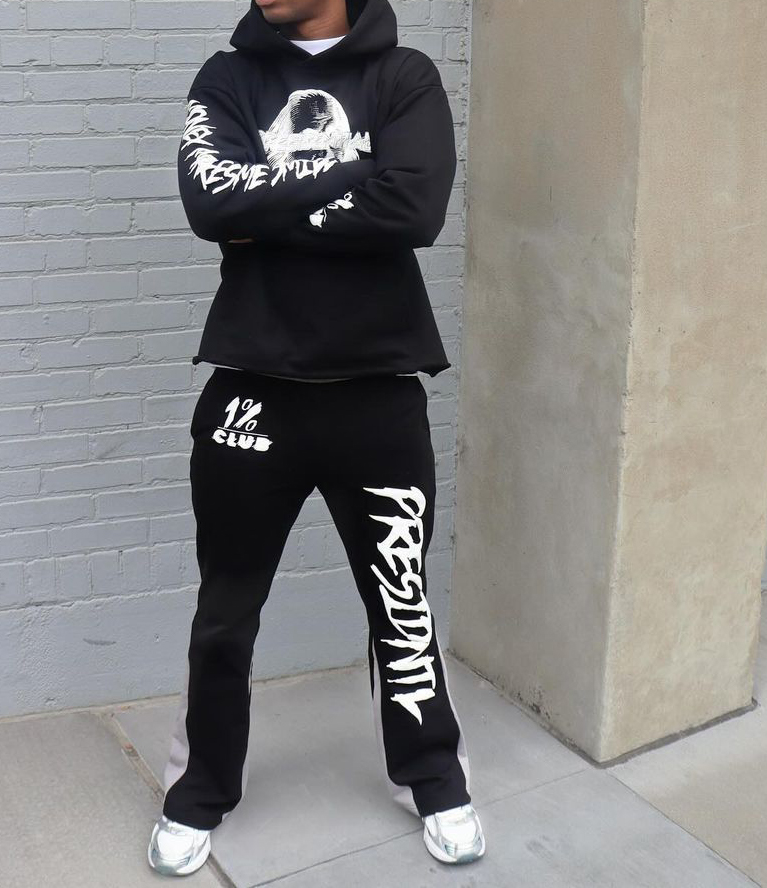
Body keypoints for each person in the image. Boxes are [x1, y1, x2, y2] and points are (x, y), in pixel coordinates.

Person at [147, 0, 486, 875]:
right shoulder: (229, 77)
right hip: (250, 398)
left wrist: (265, 205)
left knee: (401, 604)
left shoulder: (403, 76)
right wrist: (355, 175)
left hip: (378, 393)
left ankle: (434, 777)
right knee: (225, 612)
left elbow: (414, 208)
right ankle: (199, 793)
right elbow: (207, 203)